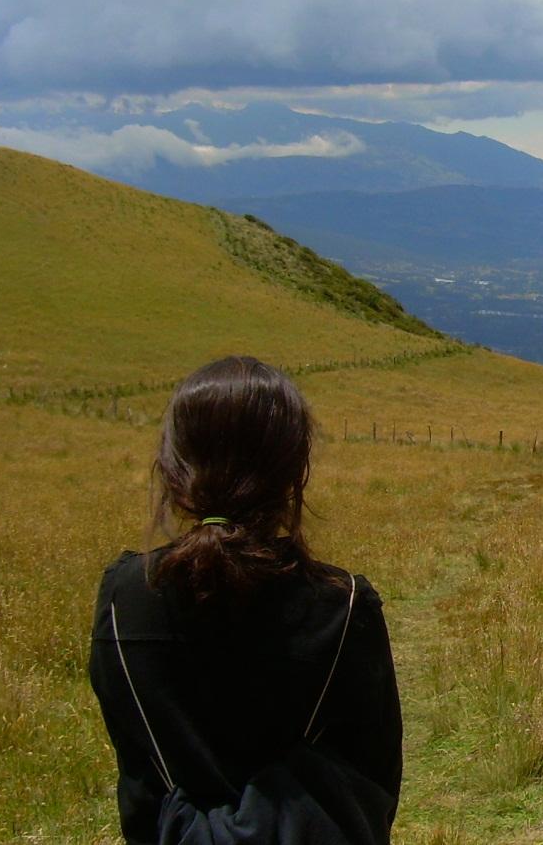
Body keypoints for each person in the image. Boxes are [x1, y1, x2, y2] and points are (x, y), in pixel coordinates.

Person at [88, 355, 402, 844]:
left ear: (173, 466)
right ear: (295, 469)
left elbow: (138, 767)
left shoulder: (123, 598)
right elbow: (372, 783)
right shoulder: (342, 609)